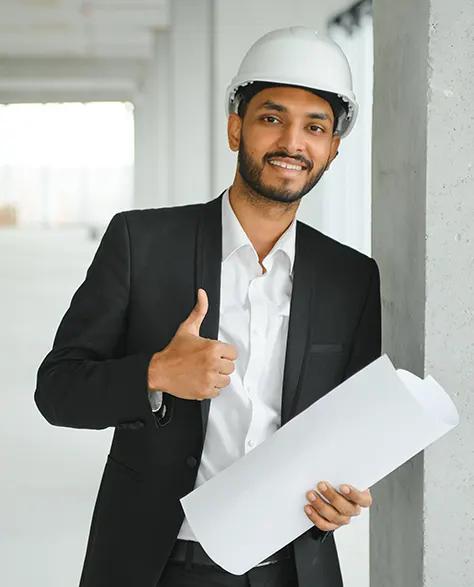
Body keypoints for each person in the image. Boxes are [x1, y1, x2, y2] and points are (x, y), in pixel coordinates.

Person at [35, 26, 380, 587]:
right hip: (160, 565)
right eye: (271, 118)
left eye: (314, 127)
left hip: (292, 569)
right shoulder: (140, 244)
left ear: (333, 149)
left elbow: (353, 430)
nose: (292, 142)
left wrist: (342, 498)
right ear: (235, 127)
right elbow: (57, 390)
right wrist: (155, 373)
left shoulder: (352, 279)